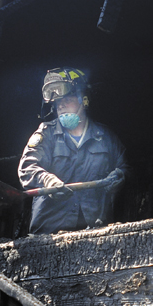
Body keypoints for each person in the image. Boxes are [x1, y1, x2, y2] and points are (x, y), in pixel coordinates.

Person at [18, 67, 127, 235]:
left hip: (96, 231)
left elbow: (127, 167)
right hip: (49, 232)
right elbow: (27, 167)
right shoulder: (47, 134)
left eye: (67, 99)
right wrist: (47, 180)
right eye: (57, 102)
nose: (60, 105)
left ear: (83, 100)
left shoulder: (105, 137)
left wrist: (120, 175)